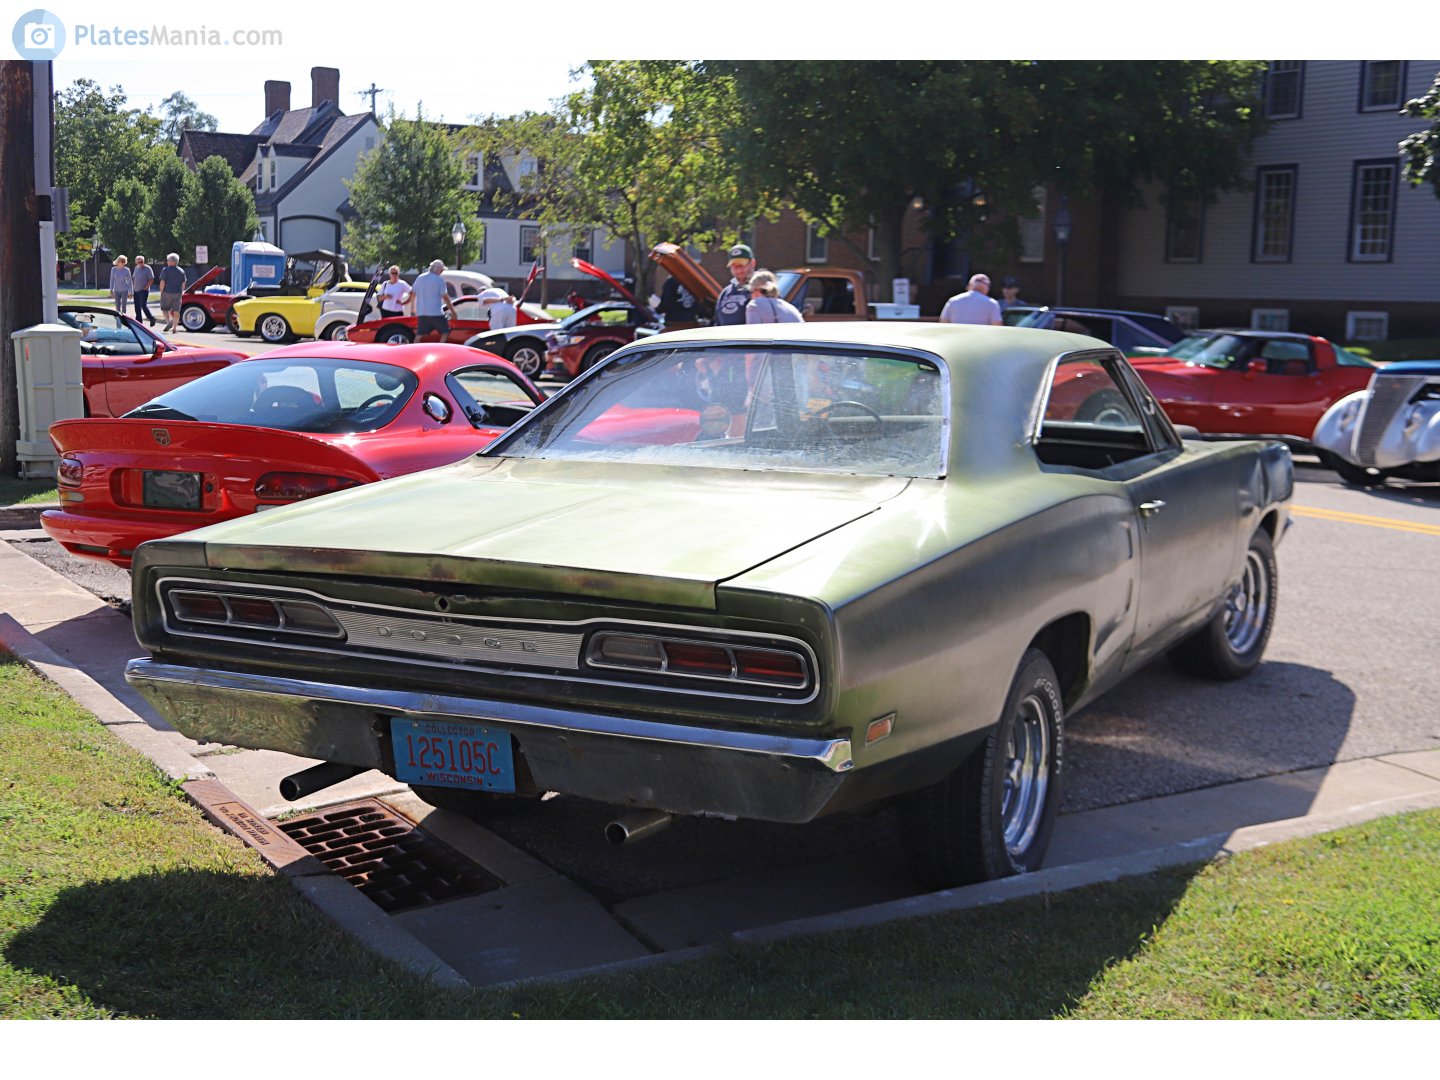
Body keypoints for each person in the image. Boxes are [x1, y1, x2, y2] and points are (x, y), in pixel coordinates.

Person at [403, 259, 458, 342]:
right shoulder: (440, 280)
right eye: (441, 270)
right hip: (436, 312)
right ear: (437, 269)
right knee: (445, 331)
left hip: (422, 312)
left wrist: (412, 310)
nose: (442, 272)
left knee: (419, 334)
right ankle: (441, 347)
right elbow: (445, 297)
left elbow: (413, 294)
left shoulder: (420, 278)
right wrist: (453, 312)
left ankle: (414, 348)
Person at [938, 273, 1003, 326]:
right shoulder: (992, 303)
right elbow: (997, 326)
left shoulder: (953, 301)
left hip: (957, 337)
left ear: (969, 285)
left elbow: (943, 322)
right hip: (980, 338)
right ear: (987, 288)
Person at [714, 243, 755, 326]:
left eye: (741, 265)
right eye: (734, 266)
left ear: (752, 263)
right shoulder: (726, 292)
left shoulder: (762, 289)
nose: (738, 270)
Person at [157, 253, 186, 332]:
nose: (167, 262)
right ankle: (175, 328)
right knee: (176, 311)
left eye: (168, 260)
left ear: (172, 261)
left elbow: (162, 282)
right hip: (177, 293)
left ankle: (168, 321)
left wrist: (161, 291)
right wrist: (181, 292)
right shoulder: (181, 271)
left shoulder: (165, 270)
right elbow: (183, 283)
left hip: (167, 292)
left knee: (164, 309)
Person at [130, 256, 156, 326]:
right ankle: (139, 322)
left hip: (143, 290)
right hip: (136, 290)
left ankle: (151, 318)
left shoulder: (147, 268)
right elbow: (133, 278)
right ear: (136, 262)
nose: (140, 263)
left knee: (143, 305)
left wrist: (146, 287)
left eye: (142, 262)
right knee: (137, 307)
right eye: (139, 262)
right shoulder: (136, 268)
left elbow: (151, 279)